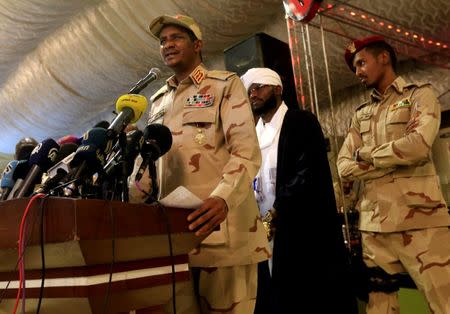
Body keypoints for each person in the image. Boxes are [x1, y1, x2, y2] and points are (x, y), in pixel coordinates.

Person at [129, 14, 270, 314]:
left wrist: (223, 197)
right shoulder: (158, 101)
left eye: (176, 37)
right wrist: (131, 198)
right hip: (175, 242)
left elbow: (246, 151)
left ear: (197, 45)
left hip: (223, 237)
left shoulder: (225, 85)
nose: (167, 44)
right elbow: (149, 166)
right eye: (163, 41)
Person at [337, 35, 450, 314]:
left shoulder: (419, 95)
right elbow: (342, 165)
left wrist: (366, 155)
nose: (358, 72)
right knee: (380, 307)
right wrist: (388, 158)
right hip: (374, 225)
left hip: (419, 220)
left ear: (384, 57)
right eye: (354, 68)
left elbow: (417, 146)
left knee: (444, 302)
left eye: (362, 63)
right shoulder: (360, 114)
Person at [241, 67, 358, 314]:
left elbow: (307, 173)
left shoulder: (299, 121)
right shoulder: (253, 133)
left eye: (259, 87)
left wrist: (276, 212)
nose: (253, 94)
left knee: (307, 296)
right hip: (263, 231)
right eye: (249, 90)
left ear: (277, 89)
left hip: (299, 228)